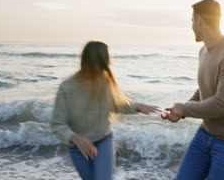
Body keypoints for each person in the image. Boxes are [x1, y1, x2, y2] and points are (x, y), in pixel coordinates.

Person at [162, 0, 224, 180]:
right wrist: (182, 112)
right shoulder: (204, 51)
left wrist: (185, 108)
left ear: (199, 21)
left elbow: (222, 105)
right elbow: (204, 90)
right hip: (205, 135)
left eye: (191, 21)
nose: (191, 27)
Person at [50, 41, 160, 180]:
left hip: (103, 140)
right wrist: (76, 138)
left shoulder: (105, 82)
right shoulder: (67, 87)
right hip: (78, 147)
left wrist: (138, 107)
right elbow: (57, 124)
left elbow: (115, 104)